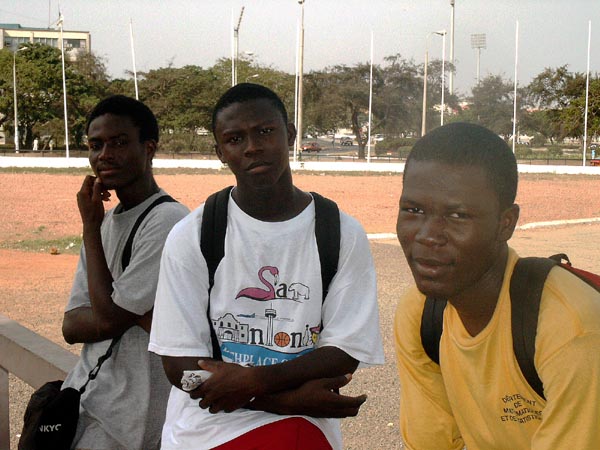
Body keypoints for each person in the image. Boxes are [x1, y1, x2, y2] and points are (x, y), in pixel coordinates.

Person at [149, 83, 384, 450]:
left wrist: (254, 382)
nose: (253, 146)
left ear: (289, 134)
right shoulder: (192, 235)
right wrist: (279, 398)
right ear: (221, 152)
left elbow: (345, 352)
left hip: (303, 430)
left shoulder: (341, 232)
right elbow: (177, 363)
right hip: (203, 431)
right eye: (235, 138)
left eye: (265, 131)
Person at [394, 122, 600, 449]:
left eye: (458, 215)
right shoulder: (421, 314)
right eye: (413, 210)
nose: (427, 235)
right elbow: (430, 441)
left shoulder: (570, 328)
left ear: (506, 223)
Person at [61, 95, 190, 450]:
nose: (105, 155)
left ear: (149, 148)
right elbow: (71, 325)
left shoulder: (168, 221)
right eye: (95, 145)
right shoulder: (108, 222)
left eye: (119, 143)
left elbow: (106, 319)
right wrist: (136, 315)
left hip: (132, 418)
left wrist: (89, 227)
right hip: (91, 401)